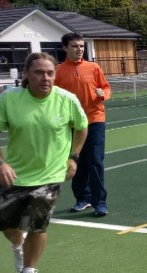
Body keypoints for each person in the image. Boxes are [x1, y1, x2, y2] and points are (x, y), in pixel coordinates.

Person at [0, 52, 88, 273]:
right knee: (4, 222)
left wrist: (73, 157)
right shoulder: (10, 100)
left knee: (37, 225)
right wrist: (0, 163)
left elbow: (81, 128)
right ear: (26, 74)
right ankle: (18, 246)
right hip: (16, 174)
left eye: (50, 73)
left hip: (50, 175)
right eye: (39, 72)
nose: (45, 77)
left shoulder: (67, 100)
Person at [55, 33, 112, 215]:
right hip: (71, 124)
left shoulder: (93, 67)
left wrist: (103, 94)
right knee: (76, 161)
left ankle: (99, 202)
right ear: (65, 48)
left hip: (95, 120)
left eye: (81, 46)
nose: (79, 49)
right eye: (74, 46)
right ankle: (83, 198)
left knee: (95, 161)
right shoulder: (58, 71)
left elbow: (106, 87)